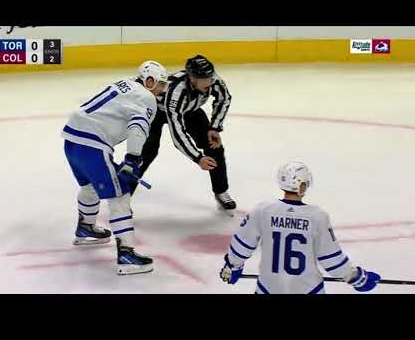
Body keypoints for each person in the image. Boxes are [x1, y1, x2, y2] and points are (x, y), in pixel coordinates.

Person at [61, 60, 168, 275]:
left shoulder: (124, 83)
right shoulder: (146, 97)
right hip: (92, 144)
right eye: (161, 84)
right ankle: (126, 254)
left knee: (90, 186)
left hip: (72, 137)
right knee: (120, 195)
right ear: (149, 81)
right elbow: (137, 127)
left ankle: (85, 228)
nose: (163, 89)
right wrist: (132, 159)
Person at [219, 162, 381, 294]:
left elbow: (242, 245)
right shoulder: (317, 216)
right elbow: (331, 259)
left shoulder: (262, 210)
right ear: (302, 185)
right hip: (308, 290)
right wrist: (356, 277)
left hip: (267, 289)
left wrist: (233, 266)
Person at [129, 55, 236, 215]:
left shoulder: (214, 81)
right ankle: (123, 198)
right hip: (157, 110)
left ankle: (221, 191)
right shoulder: (176, 92)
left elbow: (224, 99)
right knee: (146, 152)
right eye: (204, 78)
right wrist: (197, 158)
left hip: (190, 110)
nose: (210, 81)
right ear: (192, 78)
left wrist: (215, 126)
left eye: (210, 76)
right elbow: (177, 134)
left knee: (214, 147)